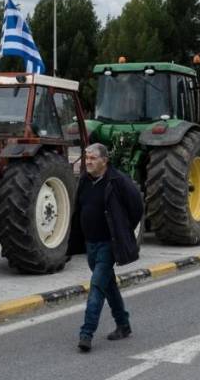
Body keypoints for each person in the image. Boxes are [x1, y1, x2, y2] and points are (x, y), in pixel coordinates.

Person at [68, 143, 143, 353]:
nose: (88, 162)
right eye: (86, 158)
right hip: (90, 244)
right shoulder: (84, 180)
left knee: (97, 287)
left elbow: (137, 206)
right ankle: (123, 324)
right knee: (108, 284)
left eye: (92, 158)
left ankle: (86, 333)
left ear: (104, 160)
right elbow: (78, 209)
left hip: (108, 245)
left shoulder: (118, 181)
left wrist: (123, 230)